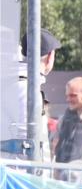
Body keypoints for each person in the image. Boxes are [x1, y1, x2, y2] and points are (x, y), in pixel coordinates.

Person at [2, 28, 60, 160]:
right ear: (50, 57)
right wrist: (37, 176)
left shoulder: (14, 82)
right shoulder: (26, 89)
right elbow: (28, 141)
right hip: (17, 175)